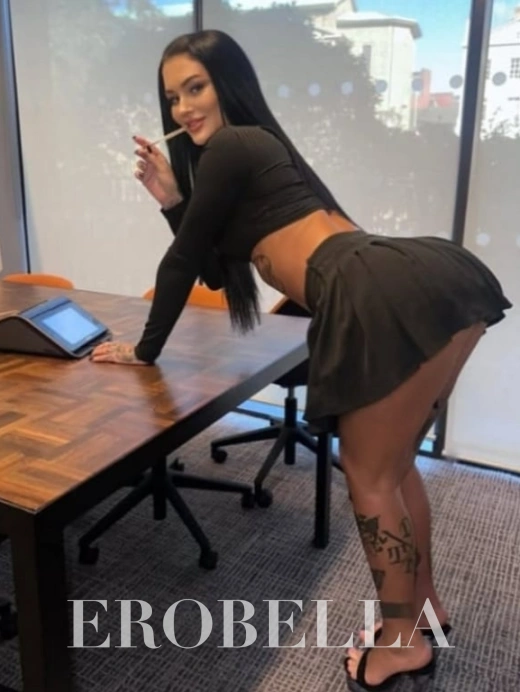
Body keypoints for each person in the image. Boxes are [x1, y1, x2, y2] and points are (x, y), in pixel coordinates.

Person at [91, 29, 512, 690]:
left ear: (228, 83)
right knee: (395, 469)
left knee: (369, 477)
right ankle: (422, 609)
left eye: (195, 87)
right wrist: (173, 200)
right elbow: (214, 267)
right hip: (423, 278)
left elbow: (181, 263)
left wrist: (145, 351)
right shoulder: (251, 153)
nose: (182, 107)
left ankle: (400, 644)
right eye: (171, 97)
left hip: (370, 287)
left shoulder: (233, 144)